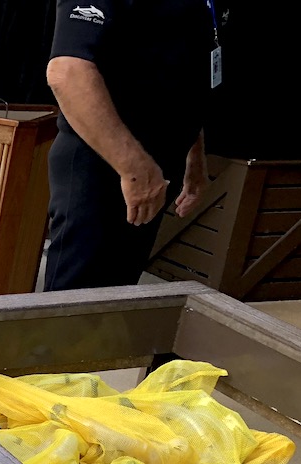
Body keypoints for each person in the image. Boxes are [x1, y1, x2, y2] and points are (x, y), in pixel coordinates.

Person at [43, 0, 220, 291]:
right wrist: (135, 169)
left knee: (114, 296)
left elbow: (181, 72)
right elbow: (67, 72)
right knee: (74, 306)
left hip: (154, 170)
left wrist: (194, 156)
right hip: (106, 166)